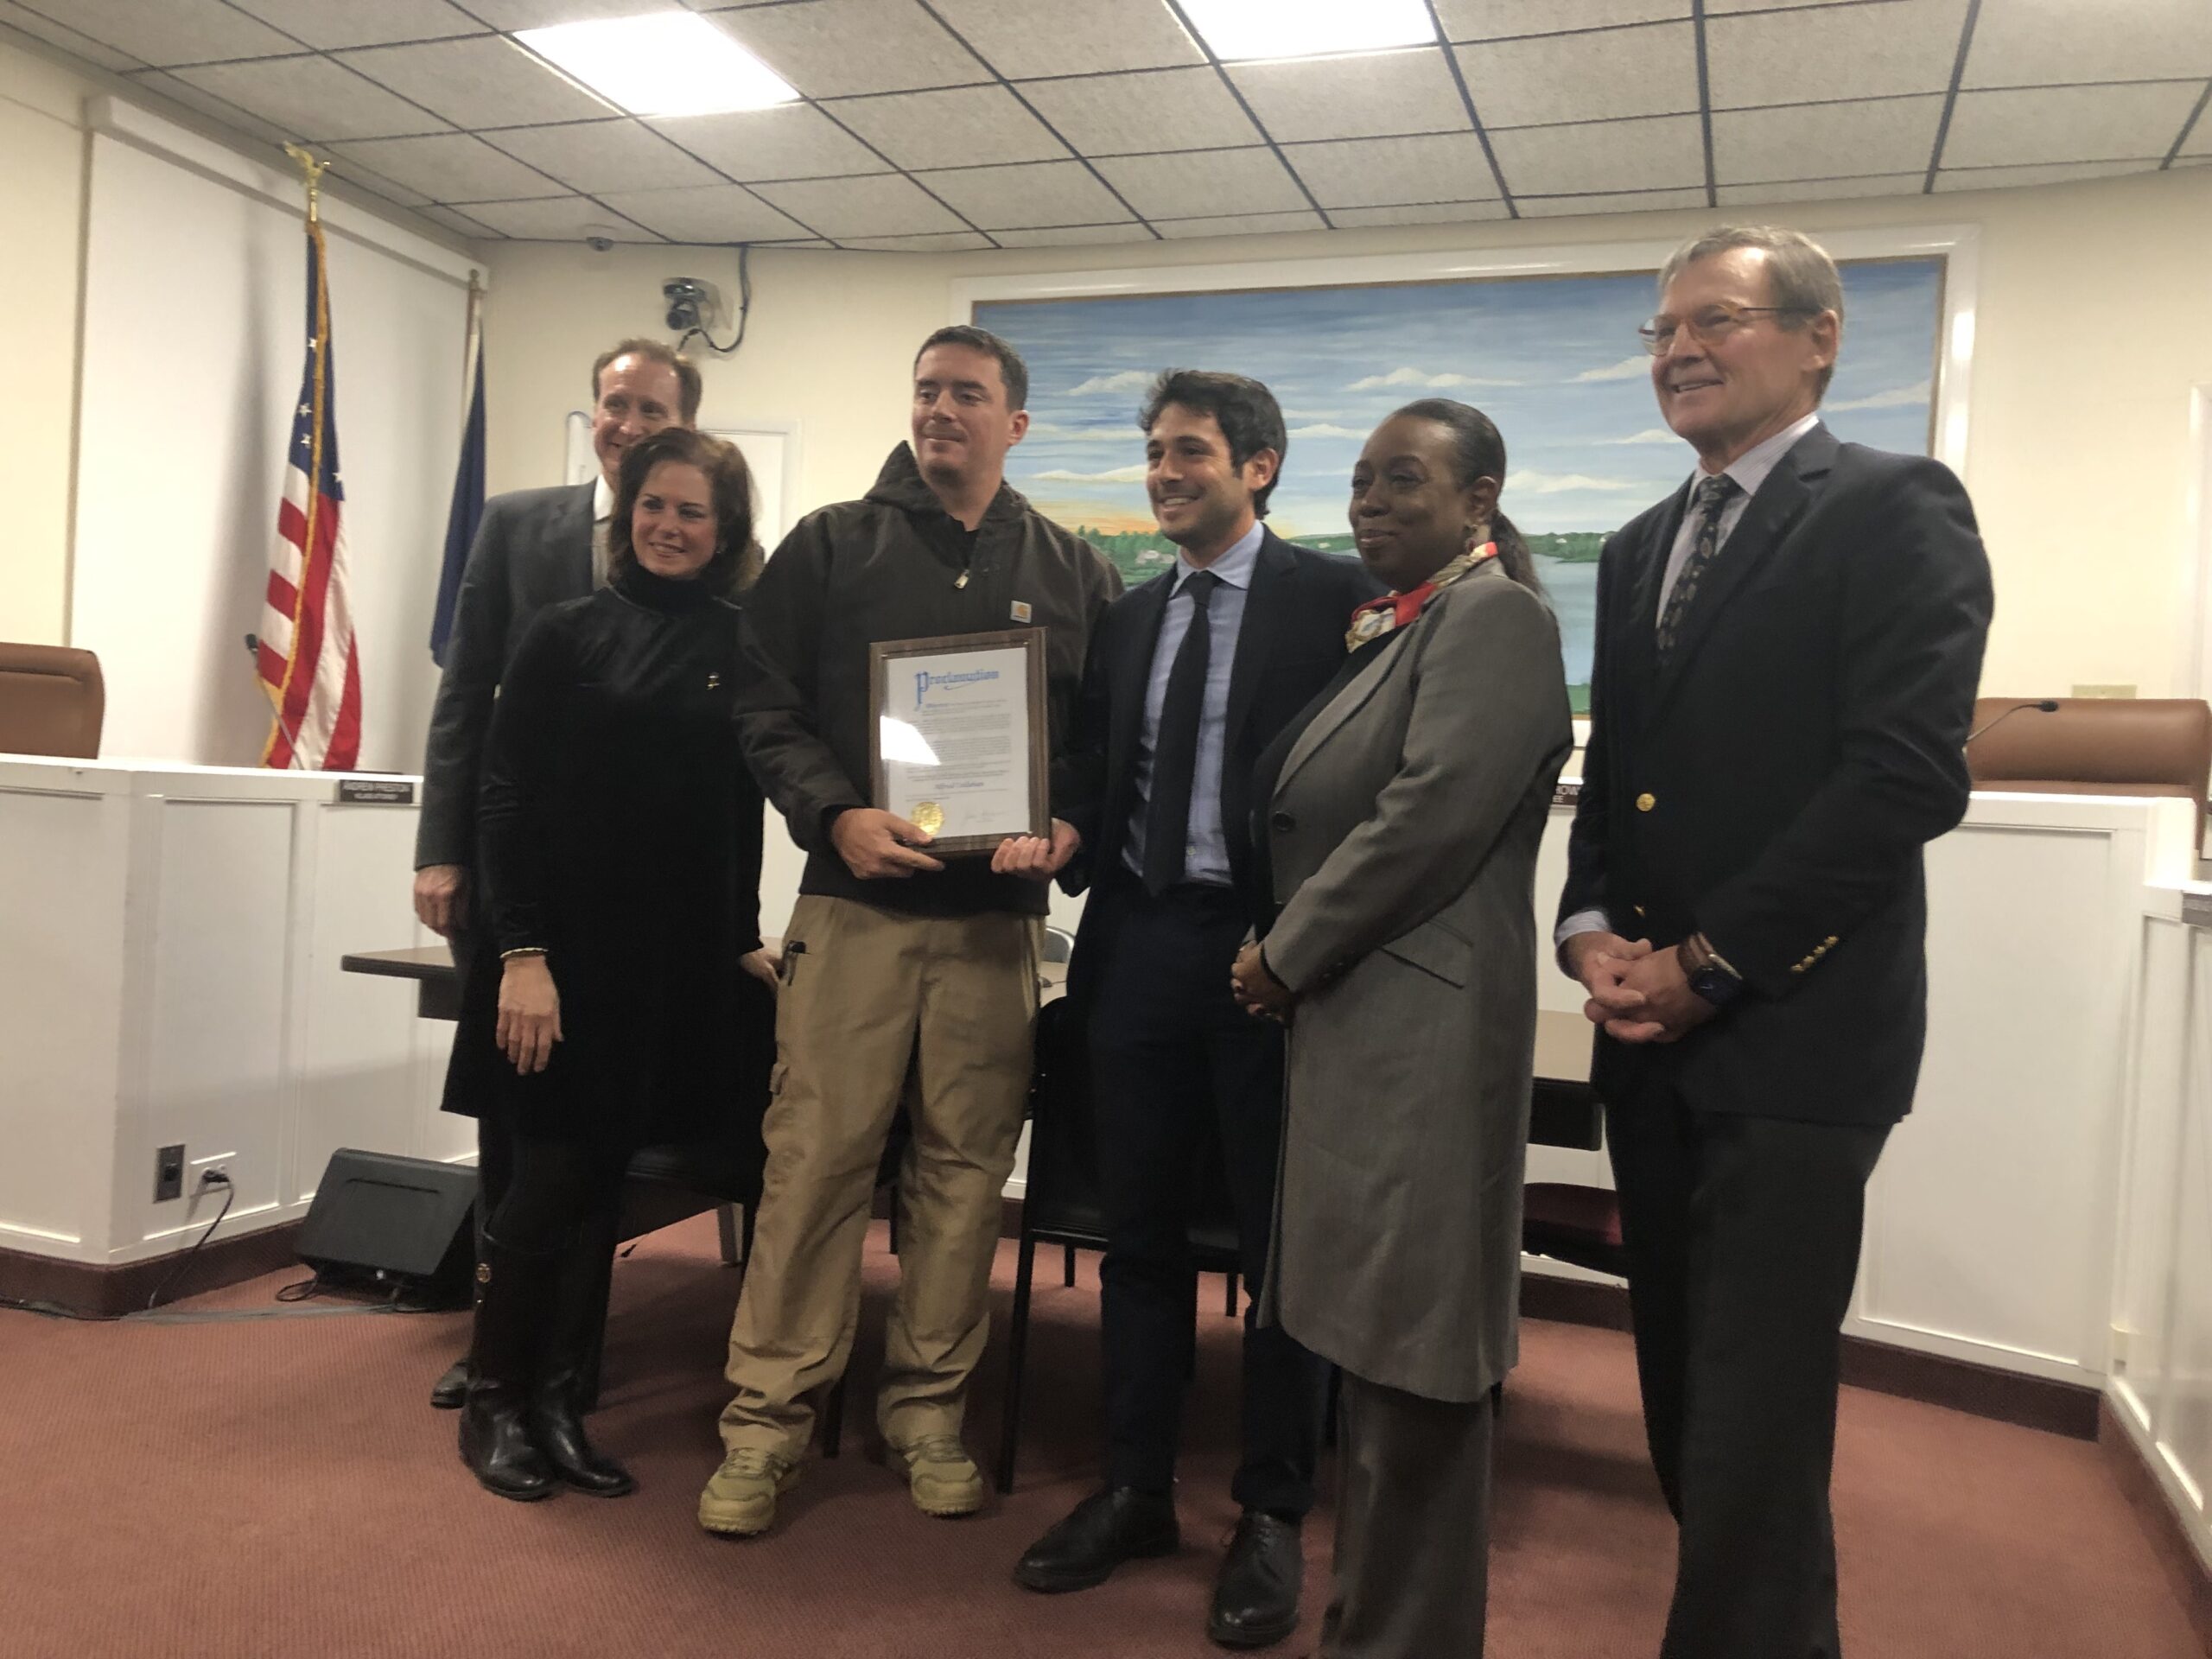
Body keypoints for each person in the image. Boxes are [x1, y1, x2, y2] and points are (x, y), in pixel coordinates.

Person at [1555, 226, 1993, 1657]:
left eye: (1716, 320)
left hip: (1796, 1042)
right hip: (1651, 1042)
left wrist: (1708, 965)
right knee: (1691, 1398)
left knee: (1753, 1407)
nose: (1680, 347)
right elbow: (1619, 779)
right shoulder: (1635, 550)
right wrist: (1593, 933)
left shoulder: (1893, 506)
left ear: (1819, 338)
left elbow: (1904, 779)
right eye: (1662, 329)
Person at [698, 325, 1121, 1538]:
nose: (942, 410)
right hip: (855, 912)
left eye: (969, 395)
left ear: (1015, 423)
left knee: (961, 1177)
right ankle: (766, 1424)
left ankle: (926, 1414)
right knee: (815, 1167)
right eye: (927, 390)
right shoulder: (831, 545)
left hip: (995, 930)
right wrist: (835, 815)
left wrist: (1070, 826)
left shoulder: (1076, 569)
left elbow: (1097, 741)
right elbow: (764, 706)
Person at [1008, 371, 1374, 1650]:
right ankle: (1134, 1490)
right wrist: (1057, 823)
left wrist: (1313, 939)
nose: (1165, 473)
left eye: (1192, 453)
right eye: (1155, 453)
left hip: (1276, 959)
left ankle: (1271, 1511)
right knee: (1140, 1238)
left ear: (1260, 466)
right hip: (1141, 948)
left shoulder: (1338, 603)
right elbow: (1106, 766)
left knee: (1284, 1252)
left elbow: (1373, 783)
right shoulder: (1129, 614)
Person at [1231, 400, 1572, 1658]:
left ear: (1480, 498)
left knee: (1418, 1370)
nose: (1372, 500)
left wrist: (1283, 953)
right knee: (1374, 1365)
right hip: (1363, 1031)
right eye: (1363, 480)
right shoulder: (1400, 625)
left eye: (1407, 480)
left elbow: (1427, 818)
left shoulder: (1498, 620)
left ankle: (1406, 1636)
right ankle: (1367, 1626)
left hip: (1419, 1037)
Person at [448, 427, 781, 1502]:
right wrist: (522, 955)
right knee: (544, 1185)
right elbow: (504, 801)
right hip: (562, 957)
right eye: (654, 506)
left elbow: (736, 812)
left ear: (725, 530)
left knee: (603, 1187)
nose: (670, 527)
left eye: (694, 513)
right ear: (626, 510)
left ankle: (556, 1401)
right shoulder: (561, 634)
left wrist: (742, 938)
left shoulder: (743, 642)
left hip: (674, 965)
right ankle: (495, 1403)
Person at [415, 338, 700, 1411]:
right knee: (511, 1128)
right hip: (512, 872)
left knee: (588, 1140)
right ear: (594, 414)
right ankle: (500, 1340)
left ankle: (563, 1361)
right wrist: (438, 846)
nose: (627, 423)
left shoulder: (704, 572)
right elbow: (465, 699)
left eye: (651, 409)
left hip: (626, 901)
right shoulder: (517, 523)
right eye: (615, 404)